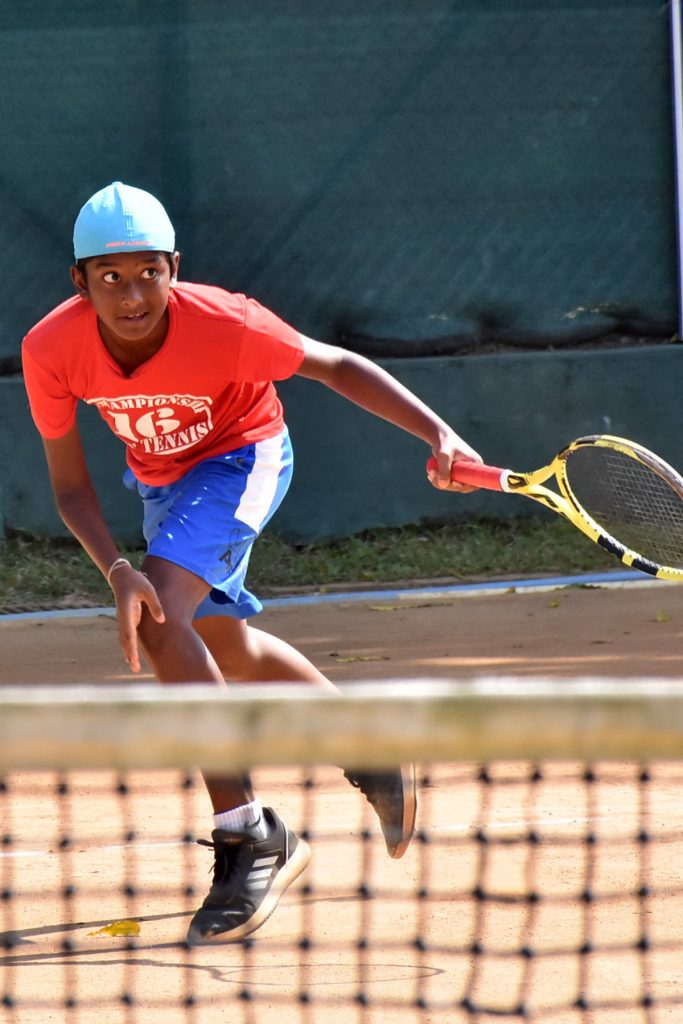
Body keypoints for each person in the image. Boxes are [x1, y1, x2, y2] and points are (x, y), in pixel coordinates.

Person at [21, 181, 482, 946]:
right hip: (163, 480)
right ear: (80, 282)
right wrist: (115, 569)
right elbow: (70, 488)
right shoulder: (52, 349)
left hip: (244, 456)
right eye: (110, 278)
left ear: (174, 268)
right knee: (215, 644)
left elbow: (333, 365)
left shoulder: (225, 322)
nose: (132, 296)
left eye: (148, 274)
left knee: (165, 619)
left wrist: (438, 434)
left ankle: (247, 834)